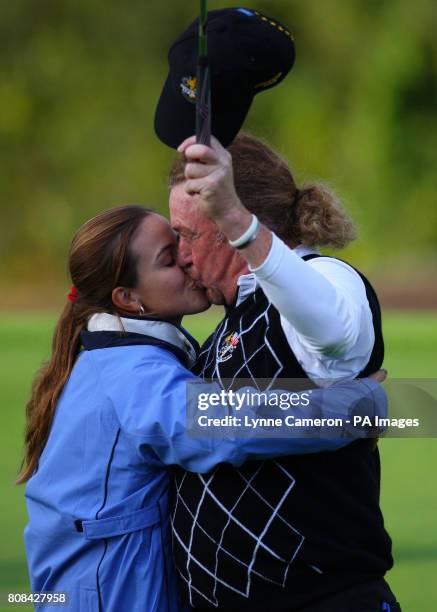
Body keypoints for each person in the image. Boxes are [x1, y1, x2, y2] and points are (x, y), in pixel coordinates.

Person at [18, 206, 386, 612]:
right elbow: (226, 425)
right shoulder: (132, 373)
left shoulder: (119, 356)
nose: (188, 258)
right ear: (128, 298)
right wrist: (352, 409)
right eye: (169, 258)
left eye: (183, 240)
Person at [168, 133, 401, 610]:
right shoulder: (230, 321)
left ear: (240, 222)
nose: (182, 254)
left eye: (189, 234)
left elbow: (334, 332)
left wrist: (236, 219)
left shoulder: (327, 277)